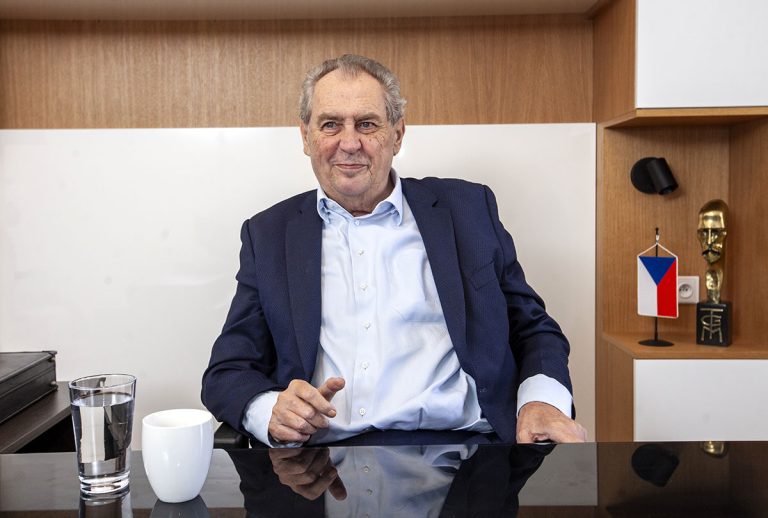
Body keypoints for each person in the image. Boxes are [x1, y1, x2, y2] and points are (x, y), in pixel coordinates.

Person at [202, 54, 586, 446]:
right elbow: (227, 371)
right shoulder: (269, 235)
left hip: (465, 448)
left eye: (367, 124)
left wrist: (542, 403)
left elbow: (533, 329)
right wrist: (270, 410)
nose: (349, 143)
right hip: (320, 457)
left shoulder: (467, 211)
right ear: (305, 137)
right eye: (330, 124)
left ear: (398, 135)